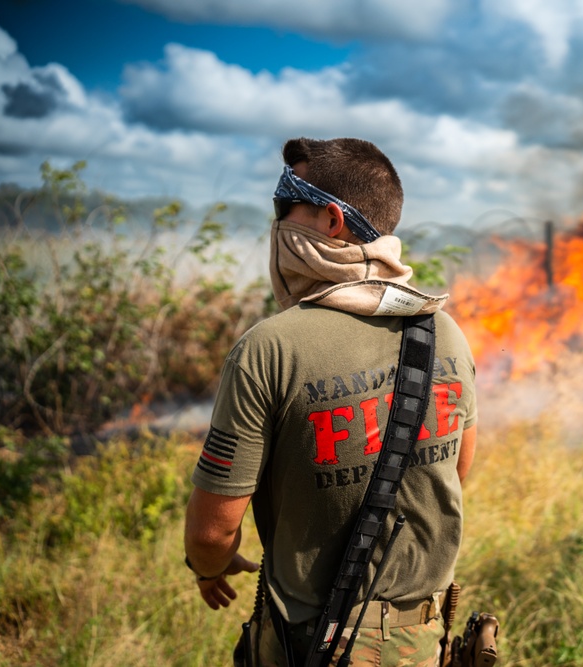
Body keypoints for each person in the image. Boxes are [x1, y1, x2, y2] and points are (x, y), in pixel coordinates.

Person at [183, 137, 478, 667]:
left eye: (285, 203)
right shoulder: (443, 330)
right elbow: (459, 467)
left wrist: (209, 568)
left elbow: (211, 531)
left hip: (313, 644)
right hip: (423, 642)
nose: (278, 222)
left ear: (331, 220)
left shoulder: (267, 349)